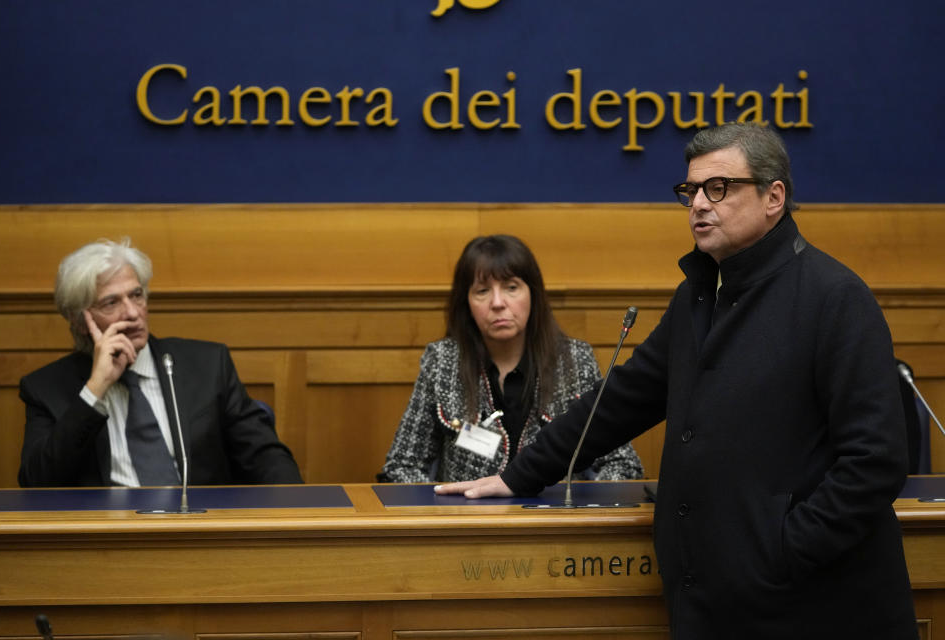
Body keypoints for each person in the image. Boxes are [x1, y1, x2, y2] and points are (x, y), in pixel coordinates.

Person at [437, 125, 917, 638]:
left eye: (720, 188)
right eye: (690, 191)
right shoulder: (698, 295)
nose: (699, 205)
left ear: (773, 196)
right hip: (711, 597)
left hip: (813, 606)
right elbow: (623, 399)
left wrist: (782, 549)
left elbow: (876, 462)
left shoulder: (835, 298)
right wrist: (521, 475)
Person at [18, 238, 303, 487]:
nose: (132, 313)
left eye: (136, 295)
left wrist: (297, 515)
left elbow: (265, 457)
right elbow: (38, 482)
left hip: (202, 534)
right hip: (108, 540)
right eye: (111, 303)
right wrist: (95, 389)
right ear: (80, 321)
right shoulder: (46, 388)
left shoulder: (207, 365)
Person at [378, 234, 643, 483]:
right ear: (466, 303)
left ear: (533, 294)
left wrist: (578, 513)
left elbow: (623, 464)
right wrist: (447, 509)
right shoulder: (443, 361)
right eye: (482, 291)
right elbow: (401, 466)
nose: (497, 302)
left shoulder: (574, 360)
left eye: (511, 287)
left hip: (553, 524)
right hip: (467, 525)